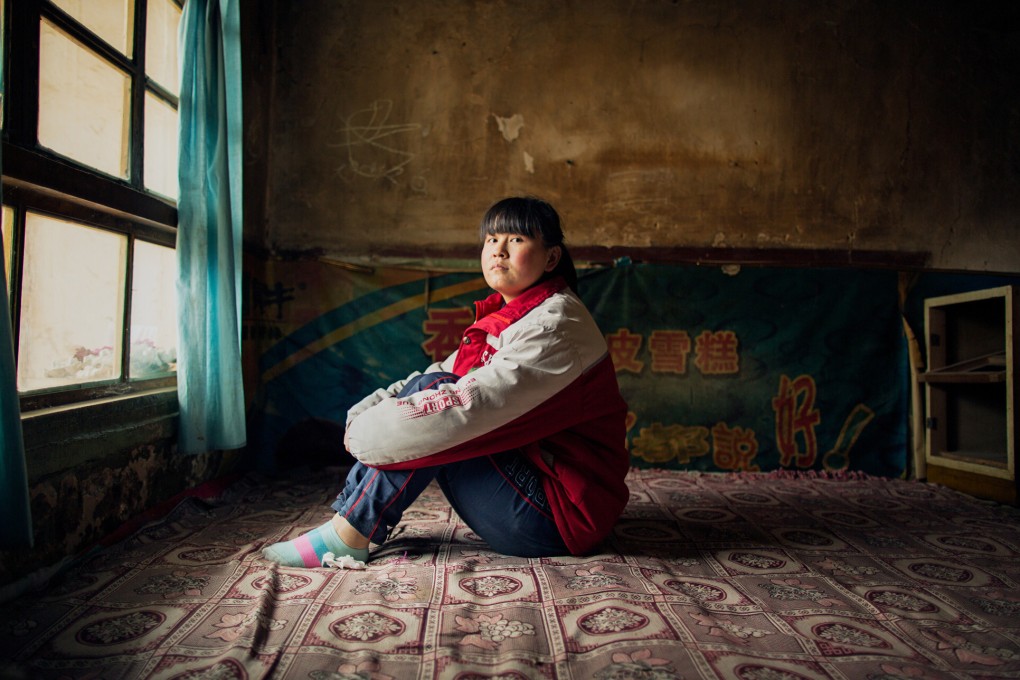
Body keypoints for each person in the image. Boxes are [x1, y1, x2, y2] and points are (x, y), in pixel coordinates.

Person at [262, 196, 629, 567]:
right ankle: (348, 525)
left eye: (516, 240)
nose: (498, 250)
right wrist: (364, 413)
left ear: (551, 258)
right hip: (532, 496)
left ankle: (350, 532)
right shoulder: (516, 316)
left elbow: (466, 406)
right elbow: (437, 373)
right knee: (432, 387)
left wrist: (365, 432)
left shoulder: (554, 326)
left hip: (557, 517)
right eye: (491, 239)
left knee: (437, 410)